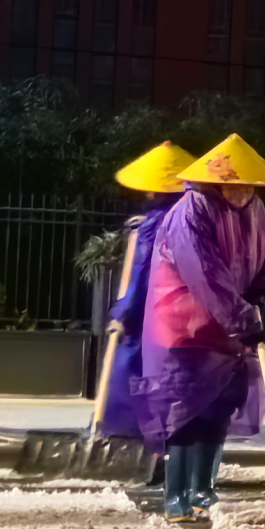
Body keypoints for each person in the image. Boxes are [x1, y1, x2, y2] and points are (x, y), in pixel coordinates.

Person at [140, 134, 265, 523]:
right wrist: (243, 319)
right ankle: (176, 494)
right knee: (183, 411)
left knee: (219, 407)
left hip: (229, 331)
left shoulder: (254, 211)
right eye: (235, 185)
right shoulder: (190, 212)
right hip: (184, 329)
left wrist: (262, 292)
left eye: (249, 186)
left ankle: (203, 489)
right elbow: (203, 273)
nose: (242, 193)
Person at [97, 141, 197, 451]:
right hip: (185, 312)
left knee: (132, 366)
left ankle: (120, 432)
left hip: (150, 312)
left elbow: (144, 273)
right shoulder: (195, 220)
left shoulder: (153, 225)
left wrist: (123, 311)